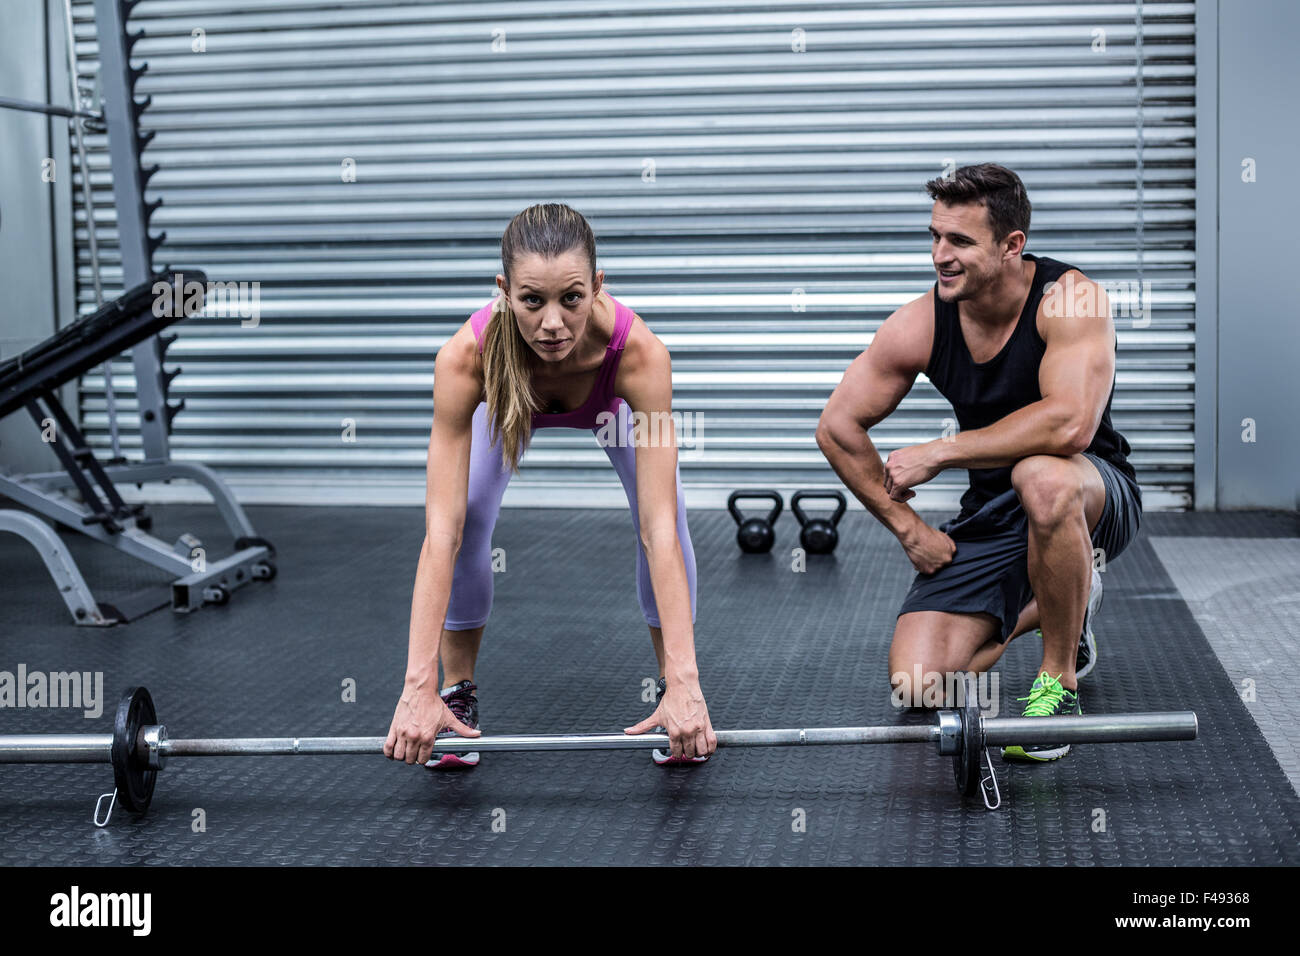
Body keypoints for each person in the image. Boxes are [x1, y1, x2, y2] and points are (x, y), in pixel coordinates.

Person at [817, 163, 1142, 761]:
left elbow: (1071, 424)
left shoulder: (1070, 299)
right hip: (995, 511)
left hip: (1092, 493)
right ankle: (1065, 602)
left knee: (1040, 476)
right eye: (935, 236)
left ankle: (1058, 684)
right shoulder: (921, 323)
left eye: (960, 241)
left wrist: (943, 451)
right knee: (918, 682)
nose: (940, 255)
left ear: (1012, 245)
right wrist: (909, 530)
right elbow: (837, 427)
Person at [384, 202, 716, 770]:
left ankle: (674, 690)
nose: (553, 323)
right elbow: (441, 532)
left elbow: (657, 528)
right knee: (467, 515)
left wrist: (688, 681)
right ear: (504, 291)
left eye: (572, 298)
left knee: (668, 517)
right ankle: (455, 695)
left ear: (598, 286)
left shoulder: (642, 358)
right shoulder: (467, 360)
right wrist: (416, 685)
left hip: (610, 404)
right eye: (532, 300)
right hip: (510, 397)